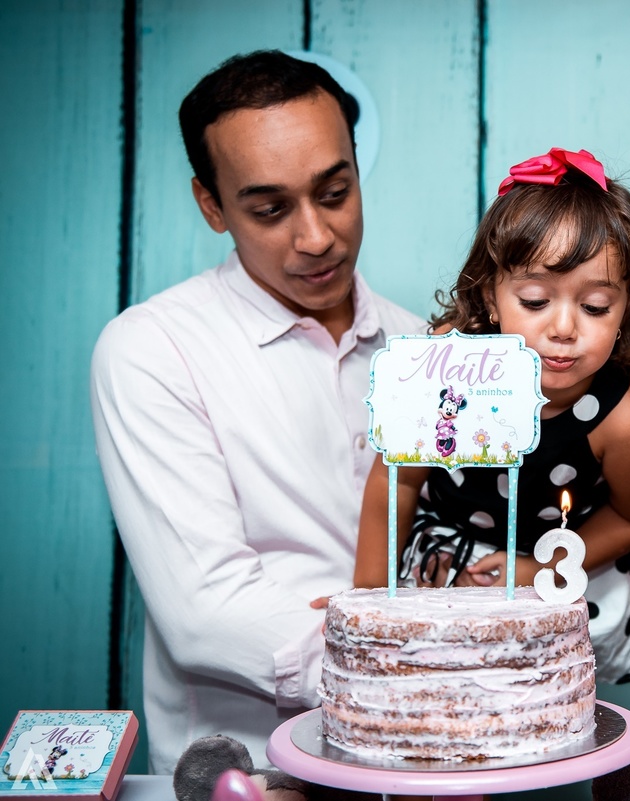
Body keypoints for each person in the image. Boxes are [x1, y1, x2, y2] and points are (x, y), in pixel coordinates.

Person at [90, 50, 425, 773]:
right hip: (256, 776)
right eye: (269, 209)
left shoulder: (426, 349)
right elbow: (207, 609)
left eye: (335, 192)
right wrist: (426, 668)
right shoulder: (152, 350)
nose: (315, 237)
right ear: (212, 206)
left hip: (437, 771)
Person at [353, 147, 630, 682]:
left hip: (561, 562)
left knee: (547, 709)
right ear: (491, 297)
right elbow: (397, 481)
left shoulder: (623, 417)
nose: (564, 328)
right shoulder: (445, 362)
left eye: (594, 307)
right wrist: (364, 605)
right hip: (447, 560)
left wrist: (542, 565)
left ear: (627, 308)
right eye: (534, 300)